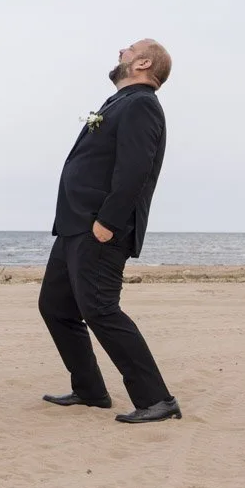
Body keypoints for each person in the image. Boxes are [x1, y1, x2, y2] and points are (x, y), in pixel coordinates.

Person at [38, 39, 180, 424]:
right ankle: (90, 390)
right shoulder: (120, 102)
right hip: (74, 225)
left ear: (143, 63)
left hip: (99, 227)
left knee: (101, 308)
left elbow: (135, 169)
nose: (121, 51)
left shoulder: (141, 104)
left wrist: (109, 222)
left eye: (129, 49)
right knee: (55, 307)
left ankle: (157, 399)